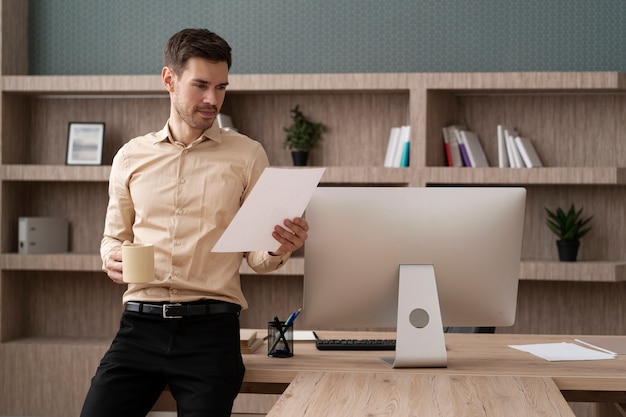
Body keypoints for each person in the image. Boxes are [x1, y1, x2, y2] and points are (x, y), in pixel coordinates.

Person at [80, 28, 309, 417]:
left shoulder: (248, 155)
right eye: (201, 85)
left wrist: (279, 245)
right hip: (139, 327)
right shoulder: (130, 157)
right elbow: (112, 237)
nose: (212, 100)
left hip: (212, 332)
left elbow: (257, 255)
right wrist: (111, 256)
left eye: (221, 87)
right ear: (169, 80)